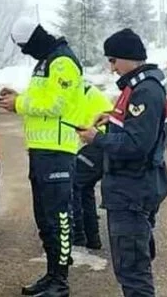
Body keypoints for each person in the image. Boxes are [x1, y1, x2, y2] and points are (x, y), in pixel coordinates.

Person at [76, 28, 167, 297]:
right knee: (135, 262)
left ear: (129, 58)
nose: (112, 67)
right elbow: (138, 127)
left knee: (132, 270)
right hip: (136, 187)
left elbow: (136, 145)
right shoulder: (143, 84)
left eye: (114, 60)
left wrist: (96, 139)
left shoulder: (145, 91)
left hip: (132, 191)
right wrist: (113, 118)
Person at [0, 17, 85, 297]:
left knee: (58, 217)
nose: (24, 52)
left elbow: (56, 104)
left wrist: (20, 103)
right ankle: (51, 275)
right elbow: (42, 98)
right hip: (42, 151)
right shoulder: (46, 61)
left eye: (25, 46)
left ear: (35, 39)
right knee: (44, 218)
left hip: (58, 152)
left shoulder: (62, 62)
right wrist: (18, 97)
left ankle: (60, 281)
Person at [72, 82, 113, 250]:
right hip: (101, 146)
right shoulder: (86, 89)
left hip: (95, 146)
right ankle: (92, 238)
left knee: (74, 186)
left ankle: (79, 236)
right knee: (84, 189)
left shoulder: (72, 90)